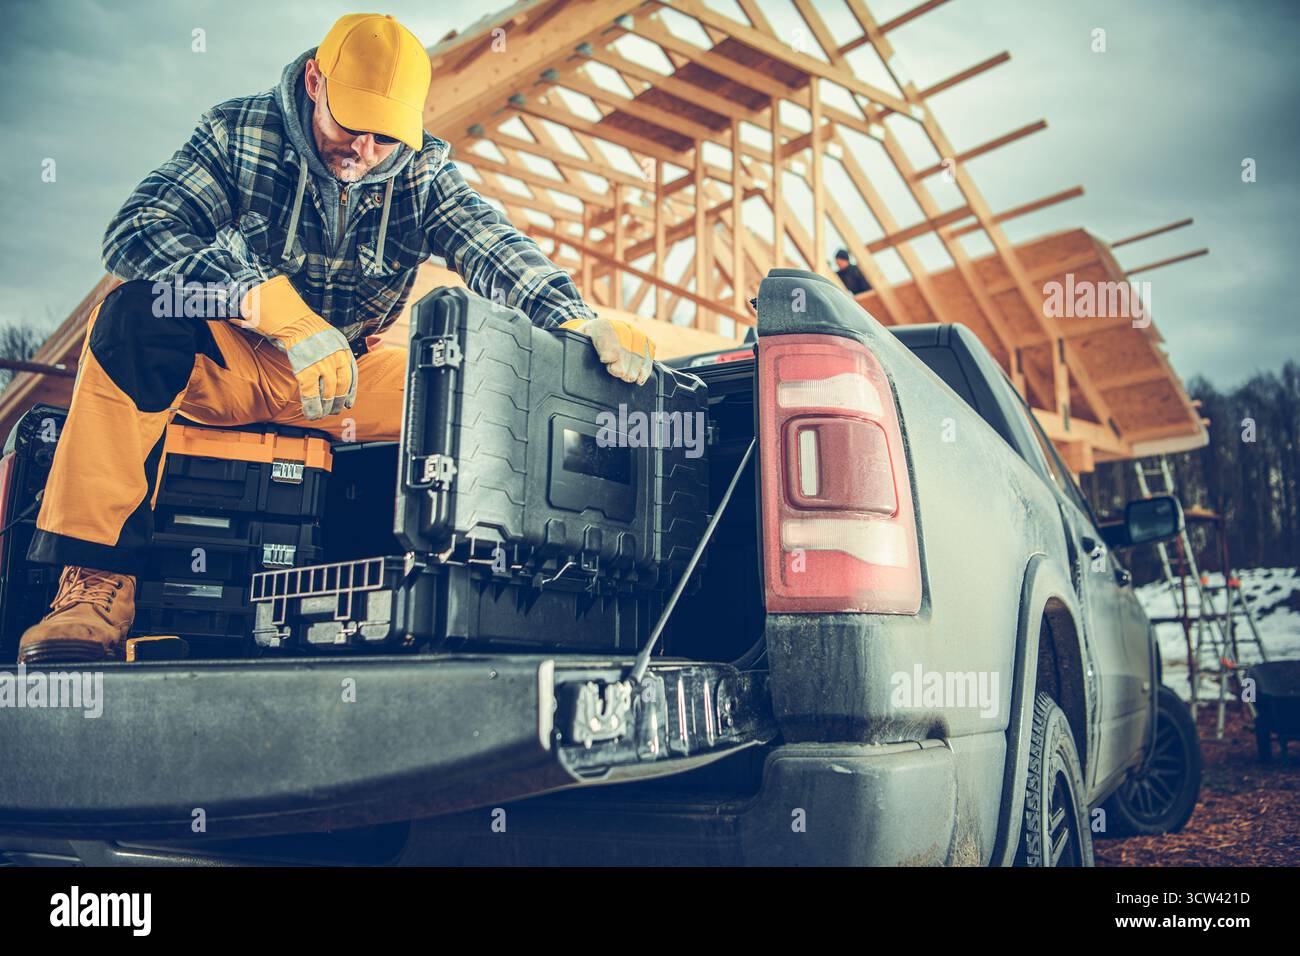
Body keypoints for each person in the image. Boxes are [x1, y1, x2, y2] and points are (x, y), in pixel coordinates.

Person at [17, 13, 655, 664]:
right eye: (354, 126)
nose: (365, 151)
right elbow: (137, 231)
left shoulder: (421, 175)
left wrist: (575, 319)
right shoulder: (240, 134)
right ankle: (93, 591)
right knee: (131, 316)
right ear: (316, 82)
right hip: (230, 365)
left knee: (475, 387)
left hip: (345, 381)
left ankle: (469, 599)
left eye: (385, 136)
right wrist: (263, 301)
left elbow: (496, 249)